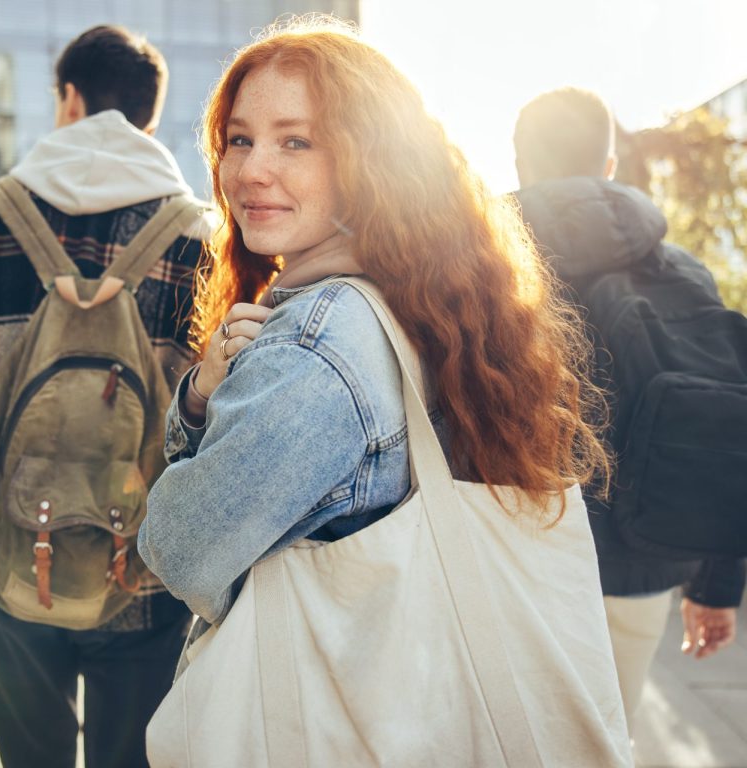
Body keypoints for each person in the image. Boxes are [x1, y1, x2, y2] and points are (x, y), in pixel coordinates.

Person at [138, 16, 628, 764]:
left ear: (370, 160)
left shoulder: (317, 343)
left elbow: (180, 550)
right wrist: (211, 394)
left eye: (295, 141)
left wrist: (195, 405)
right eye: (239, 139)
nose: (250, 170)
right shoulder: (421, 297)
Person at [0, 25, 210, 768]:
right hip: (141, 562)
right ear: (148, 114)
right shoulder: (197, 234)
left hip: (9, 549)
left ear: (69, 99)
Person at [512, 87, 746, 731]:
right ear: (609, 167)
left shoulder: (486, 268)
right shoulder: (683, 270)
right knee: (612, 738)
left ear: (521, 166)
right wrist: (714, 583)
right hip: (646, 559)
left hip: (516, 560)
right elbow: (724, 416)